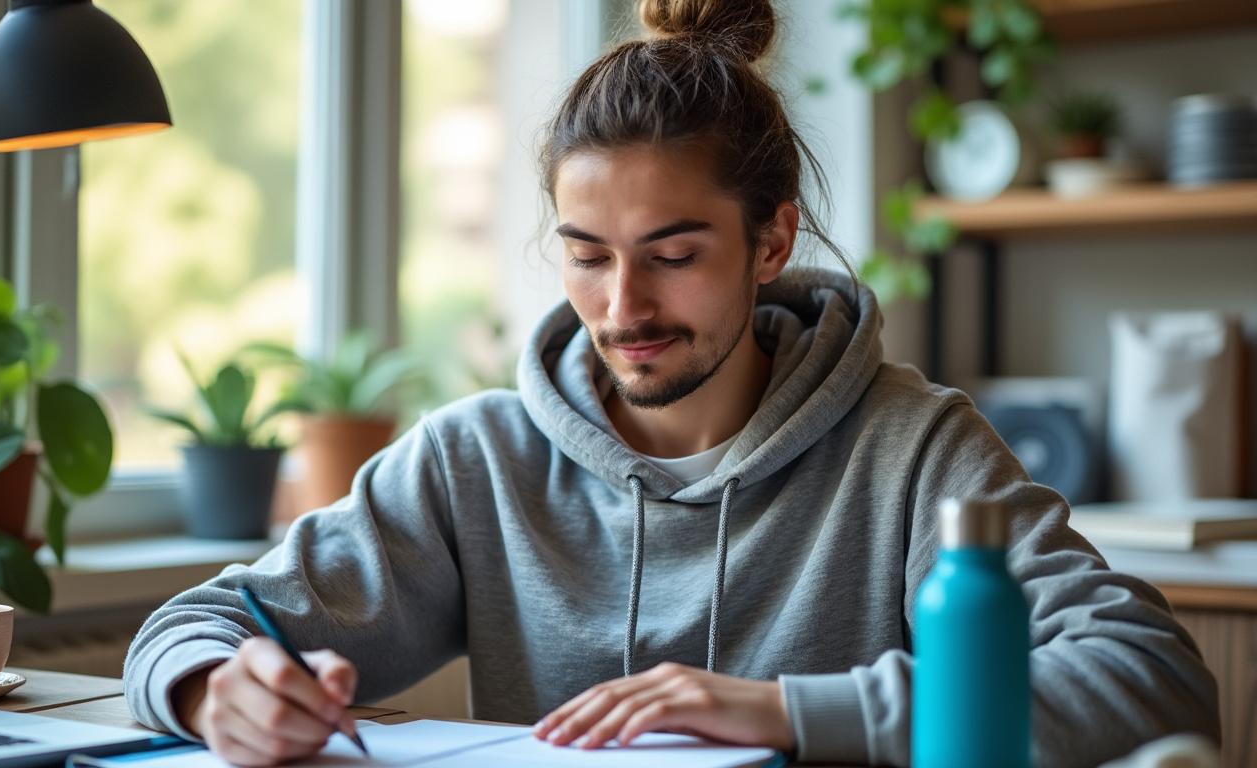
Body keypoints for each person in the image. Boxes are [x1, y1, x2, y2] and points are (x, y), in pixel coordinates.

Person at [123, 1, 1219, 765]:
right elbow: (201, 623)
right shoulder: (476, 461)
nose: (622, 309)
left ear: (772, 239)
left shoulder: (914, 450)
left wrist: (786, 713)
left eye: (675, 253)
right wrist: (214, 690)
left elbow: (1152, 681)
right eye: (588, 254)